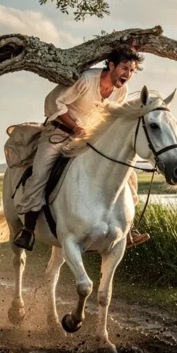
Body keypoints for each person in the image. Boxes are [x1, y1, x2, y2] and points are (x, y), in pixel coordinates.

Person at [13, 46, 150, 251]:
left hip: (89, 139)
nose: (127, 75)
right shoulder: (86, 80)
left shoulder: (121, 91)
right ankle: (28, 229)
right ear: (111, 65)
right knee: (40, 173)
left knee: (127, 174)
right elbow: (54, 103)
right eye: (124, 68)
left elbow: (111, 117)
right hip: (58, 133)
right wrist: (74, 126)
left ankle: (127, 230)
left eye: (131, 71)